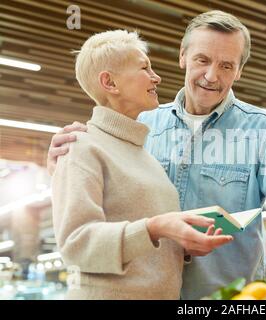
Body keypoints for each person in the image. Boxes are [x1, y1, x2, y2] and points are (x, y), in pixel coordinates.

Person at [48, 11, 266, 300]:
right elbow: (98, 206)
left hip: (228, 298)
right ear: (183, 56)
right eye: (202, 60)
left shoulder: (262, 131)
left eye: (226, 65)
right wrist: (66, 162)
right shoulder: (142, 125)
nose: (212, 76)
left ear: (239, 71)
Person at [51, 29, 232, 300]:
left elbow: (144, 245)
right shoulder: (80, 146)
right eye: (144, 68)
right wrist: (156, 227)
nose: (156, 77)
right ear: (109, 83)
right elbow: (75, 245)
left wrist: (181, 242)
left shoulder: (144, 155)